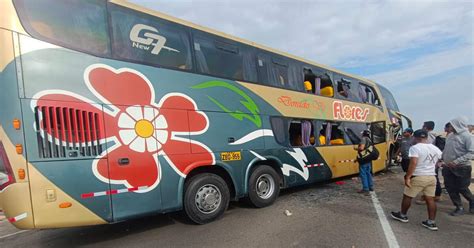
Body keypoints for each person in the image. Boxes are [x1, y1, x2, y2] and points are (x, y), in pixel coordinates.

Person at [391, 129, 442, 231]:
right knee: (430, 199)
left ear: (415, 137)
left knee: (408, 196)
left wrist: (408, 177)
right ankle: (431, 222)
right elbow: (438, 162)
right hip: (432, 177)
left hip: (419, 176)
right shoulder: (435, 148)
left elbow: (413, 163)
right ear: (426, 137)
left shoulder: (415, 148)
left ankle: (403, 215)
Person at [441, 116, 474, 216]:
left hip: (462, 167)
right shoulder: (450, 136)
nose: (450, 126)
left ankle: (472, 201)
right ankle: (459, 206)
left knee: (462, 188)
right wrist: (441, 159)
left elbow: (471, 152)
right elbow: (446, 150)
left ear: (457, 125)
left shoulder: (468, 136)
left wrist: (456, 161)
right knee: (450, 187)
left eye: (451, 125)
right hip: (448, 167)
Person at [354, 130, 374, 194]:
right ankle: (371, 187)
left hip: (363, 160)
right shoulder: (369, 140)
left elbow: (362, 148)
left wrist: (356, 148)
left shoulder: (363, 139)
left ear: (364, 134)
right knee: (368, 173)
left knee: (363, 174)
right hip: (368, 159)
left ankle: (365, 188)